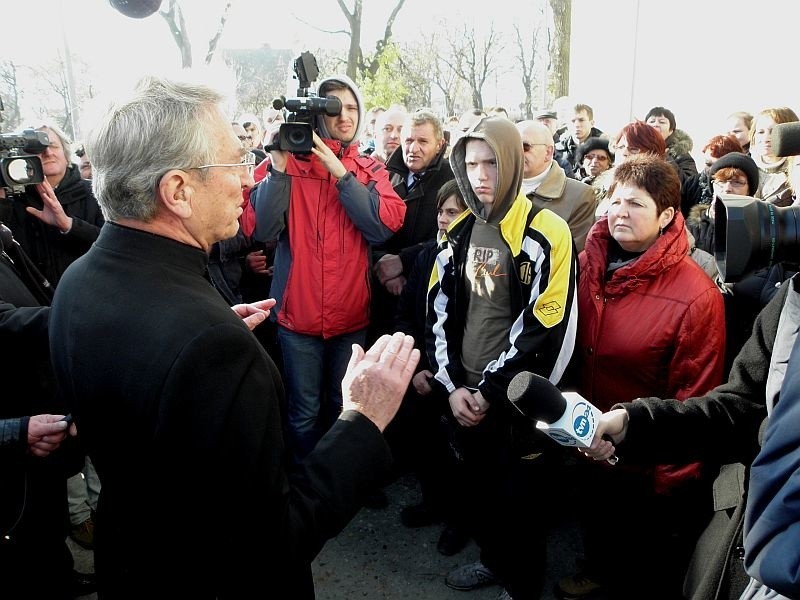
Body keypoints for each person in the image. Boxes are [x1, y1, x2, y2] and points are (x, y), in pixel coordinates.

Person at [47, 74, 420, 599]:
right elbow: (271, 542)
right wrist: (364, 419)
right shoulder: (210, 349)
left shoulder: (79, 281)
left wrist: (208, 331)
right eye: (234, 164)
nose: (247, 180)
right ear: (177, 190)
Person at [556, 154, 725, 600]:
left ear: (667, 215)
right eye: (614, 200)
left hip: (643, 454)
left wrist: (672, 481)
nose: (620, 212)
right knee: (596, 519)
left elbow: (697, 392)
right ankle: (595, 568)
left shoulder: (695, 294)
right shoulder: (583, 264)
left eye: (635, 204)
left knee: (642, 554)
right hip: (585, 430)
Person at [427, 115, 578, 600]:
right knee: (479, 494)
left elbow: (543, 326)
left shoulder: (547, 231)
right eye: (471, 163)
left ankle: (522, 586)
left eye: (492, 162)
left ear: (512, 162)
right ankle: (492, 563)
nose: (481, 175)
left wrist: (490, 392)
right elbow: (440, 310)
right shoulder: (461, 229)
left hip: (513, 400)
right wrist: (453, 387)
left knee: (521, 504)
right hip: (464, 394)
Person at [252, 75, 406, 464]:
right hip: (296, 319)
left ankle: (344, 481)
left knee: (346, 406)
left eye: (352, 108)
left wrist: (340, 173)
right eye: (333, 108)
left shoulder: (368, 169)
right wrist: (278, 167)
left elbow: (383, 225)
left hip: (351, 316)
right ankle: (306, 487)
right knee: (303, 412)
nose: (344, 117)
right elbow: (261, 227)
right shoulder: (289, 165)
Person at [0, 218, 95, 598]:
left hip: (35, 413)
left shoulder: (7, 237)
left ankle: (61, 574)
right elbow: (6, 320)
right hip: (16, 435)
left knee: (47, 524)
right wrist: (15, 431)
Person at [391, 179, 470, 556]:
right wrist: (418, 366)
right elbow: (407, 315)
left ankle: (461, 519)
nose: (442, 219)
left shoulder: (484, 263)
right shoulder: (427, 257)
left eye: (452, 212)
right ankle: (433, 501)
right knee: (426, 443)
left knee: (462, 453)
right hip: (425, 372)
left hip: (463, 378)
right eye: (440, 211)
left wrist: (450, 375)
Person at [370, 107, 454, 342]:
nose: (413, 148)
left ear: (440, 144)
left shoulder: (453, 182)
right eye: (409, 140)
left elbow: (450, 236)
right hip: (379, 291)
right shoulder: (383, 175)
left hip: (426, 296)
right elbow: (366, 228)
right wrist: (383, 266)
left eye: (422, 141)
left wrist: (403, 263)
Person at [0, 122, 104, 287]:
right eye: (37, 148)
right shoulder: (13, 201)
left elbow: (115, 244)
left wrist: (69, 225)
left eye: (53, 146)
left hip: (90, 293)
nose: (47, 152)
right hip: (35, 304)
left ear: (65, 152)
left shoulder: (96, 192)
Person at [516, 120, 596, 251]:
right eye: (512, 146)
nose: (517, 152)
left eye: (525, 147)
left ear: (548, 152)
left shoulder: (579, 195)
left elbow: (572, 256)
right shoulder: (495, 189)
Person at [748, 106, 798, 206]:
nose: (766, 138)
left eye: (773, 132)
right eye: (761, 132)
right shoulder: (743, 167)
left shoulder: (796, 169)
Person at [645, 105, 698, 183]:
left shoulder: (681, 154)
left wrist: (666, 158)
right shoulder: (633, 149)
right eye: (652, 121)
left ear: (671, 131)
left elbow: (690, 185)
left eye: (662, 122)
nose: (656, 124)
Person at [554, 103, 604, 175]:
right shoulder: (558, 150)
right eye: (573, 121)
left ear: (592, 123)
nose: (577, 125)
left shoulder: (605, 149)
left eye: (581, 120)